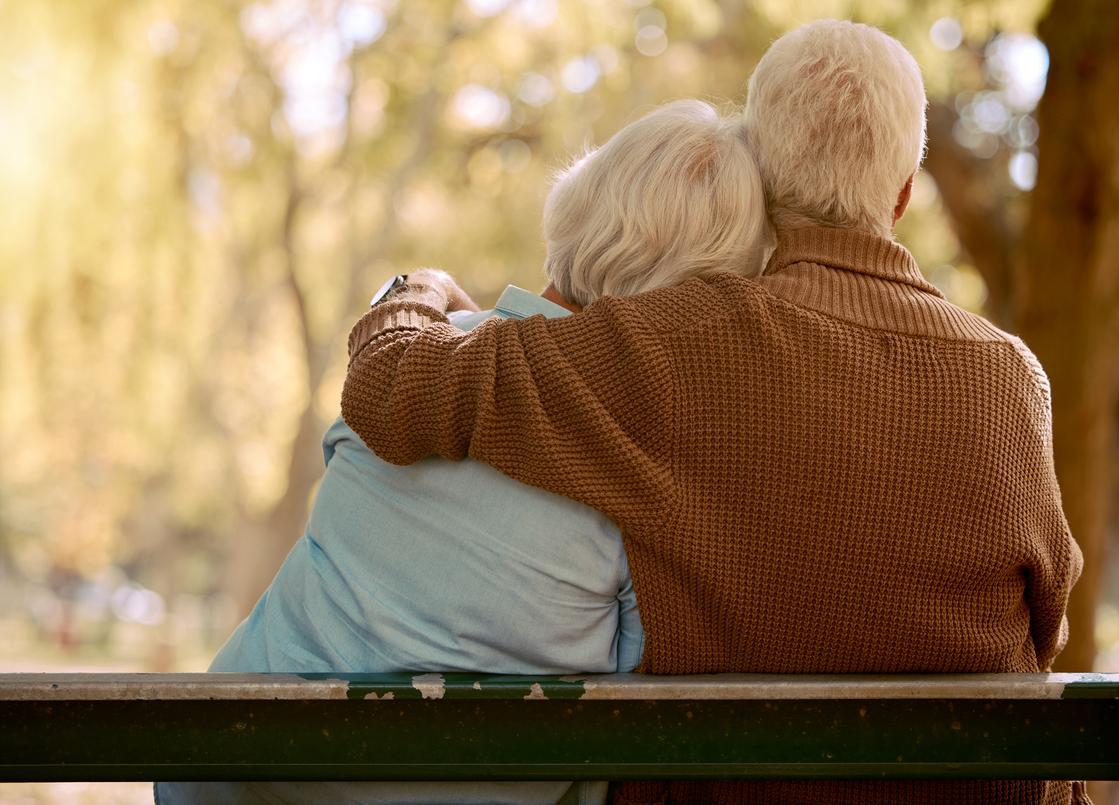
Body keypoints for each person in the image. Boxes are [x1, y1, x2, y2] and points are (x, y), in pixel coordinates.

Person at [342, 20, 1086, 805]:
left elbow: (392, 390)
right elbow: (1046, 625)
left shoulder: (675, 340)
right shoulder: (1011, 377)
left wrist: (419, 288)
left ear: (755, 172)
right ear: (904, 192)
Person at [155, 99, 768, 805]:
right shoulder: (649, 469)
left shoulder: (405, 366)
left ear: (576, 210)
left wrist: (420, 287)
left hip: (238, 778)